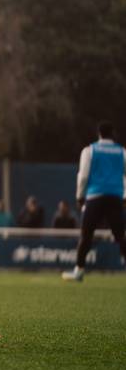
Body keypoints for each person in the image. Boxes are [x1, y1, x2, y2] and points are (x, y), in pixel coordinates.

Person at [62, 121, 126, 282]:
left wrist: (79, 196)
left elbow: (83, 175)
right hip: (115, 197)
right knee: (121, 236)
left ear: (99, 134)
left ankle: (79, 270)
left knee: (86, 235)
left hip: (94, 197)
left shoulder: (90, 150)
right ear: (113, 134)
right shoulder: (122, 152)